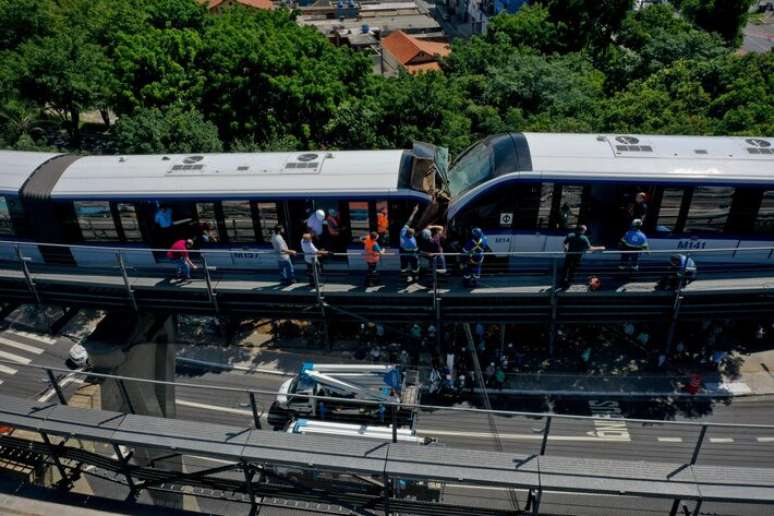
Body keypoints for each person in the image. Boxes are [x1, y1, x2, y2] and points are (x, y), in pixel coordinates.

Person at [400, 205, 420, 282]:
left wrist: (414, 212)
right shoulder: (412, 242)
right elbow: (416, 248)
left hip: (403, 252)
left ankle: (404, 277)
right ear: (411, 235)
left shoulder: (403, 231)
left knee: (404, 266)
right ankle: (415, 277)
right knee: (414, 265)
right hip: (411, 253)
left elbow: (409, 221)